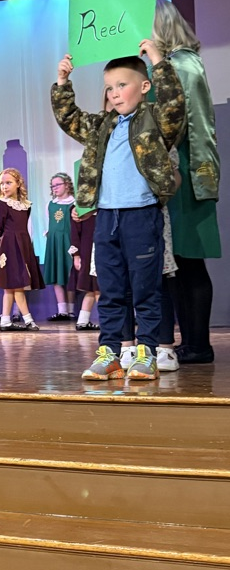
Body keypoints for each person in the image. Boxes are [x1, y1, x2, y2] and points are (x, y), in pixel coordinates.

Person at [52, 49, 185, 380]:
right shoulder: (101, 126)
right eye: (109, 88)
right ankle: (109, 354)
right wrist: (62, 82)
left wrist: (158, 61)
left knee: (146, 290)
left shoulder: (154, 120)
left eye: (121, 85)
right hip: (107, 217)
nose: (113, 93)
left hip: (141, 215)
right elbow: (69, 118)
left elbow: (174, 106)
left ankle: (146, 356)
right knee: (110, 291)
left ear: (144, 87)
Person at [151, 0, 221, 365]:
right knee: (177, 263)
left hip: (188, 177)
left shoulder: (182, 65)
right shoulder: (175, 65)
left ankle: (199, 344)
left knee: (189, 262)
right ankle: (192, 342)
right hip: (177, 178)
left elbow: (191, 128)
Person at [0, 168, 44, 331]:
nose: (4, 186)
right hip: (9, 245)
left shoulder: (25, 206)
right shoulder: (1, 203)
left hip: (23, 244)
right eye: (2, 184)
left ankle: (5, 321)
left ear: (18, 184)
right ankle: (28, 320)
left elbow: (26, 227)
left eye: (9, 183)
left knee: (12, 286)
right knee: (15, 285)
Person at [43, 173, 76, 321]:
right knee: (57, 275)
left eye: (58, 185)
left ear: (67, 185)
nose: (54, 188)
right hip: (55, 242)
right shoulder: (50, 204)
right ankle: (61, 310)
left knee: (70, 275)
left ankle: (70, 310)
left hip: (68, 241)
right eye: (53, 186)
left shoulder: (74, 203)